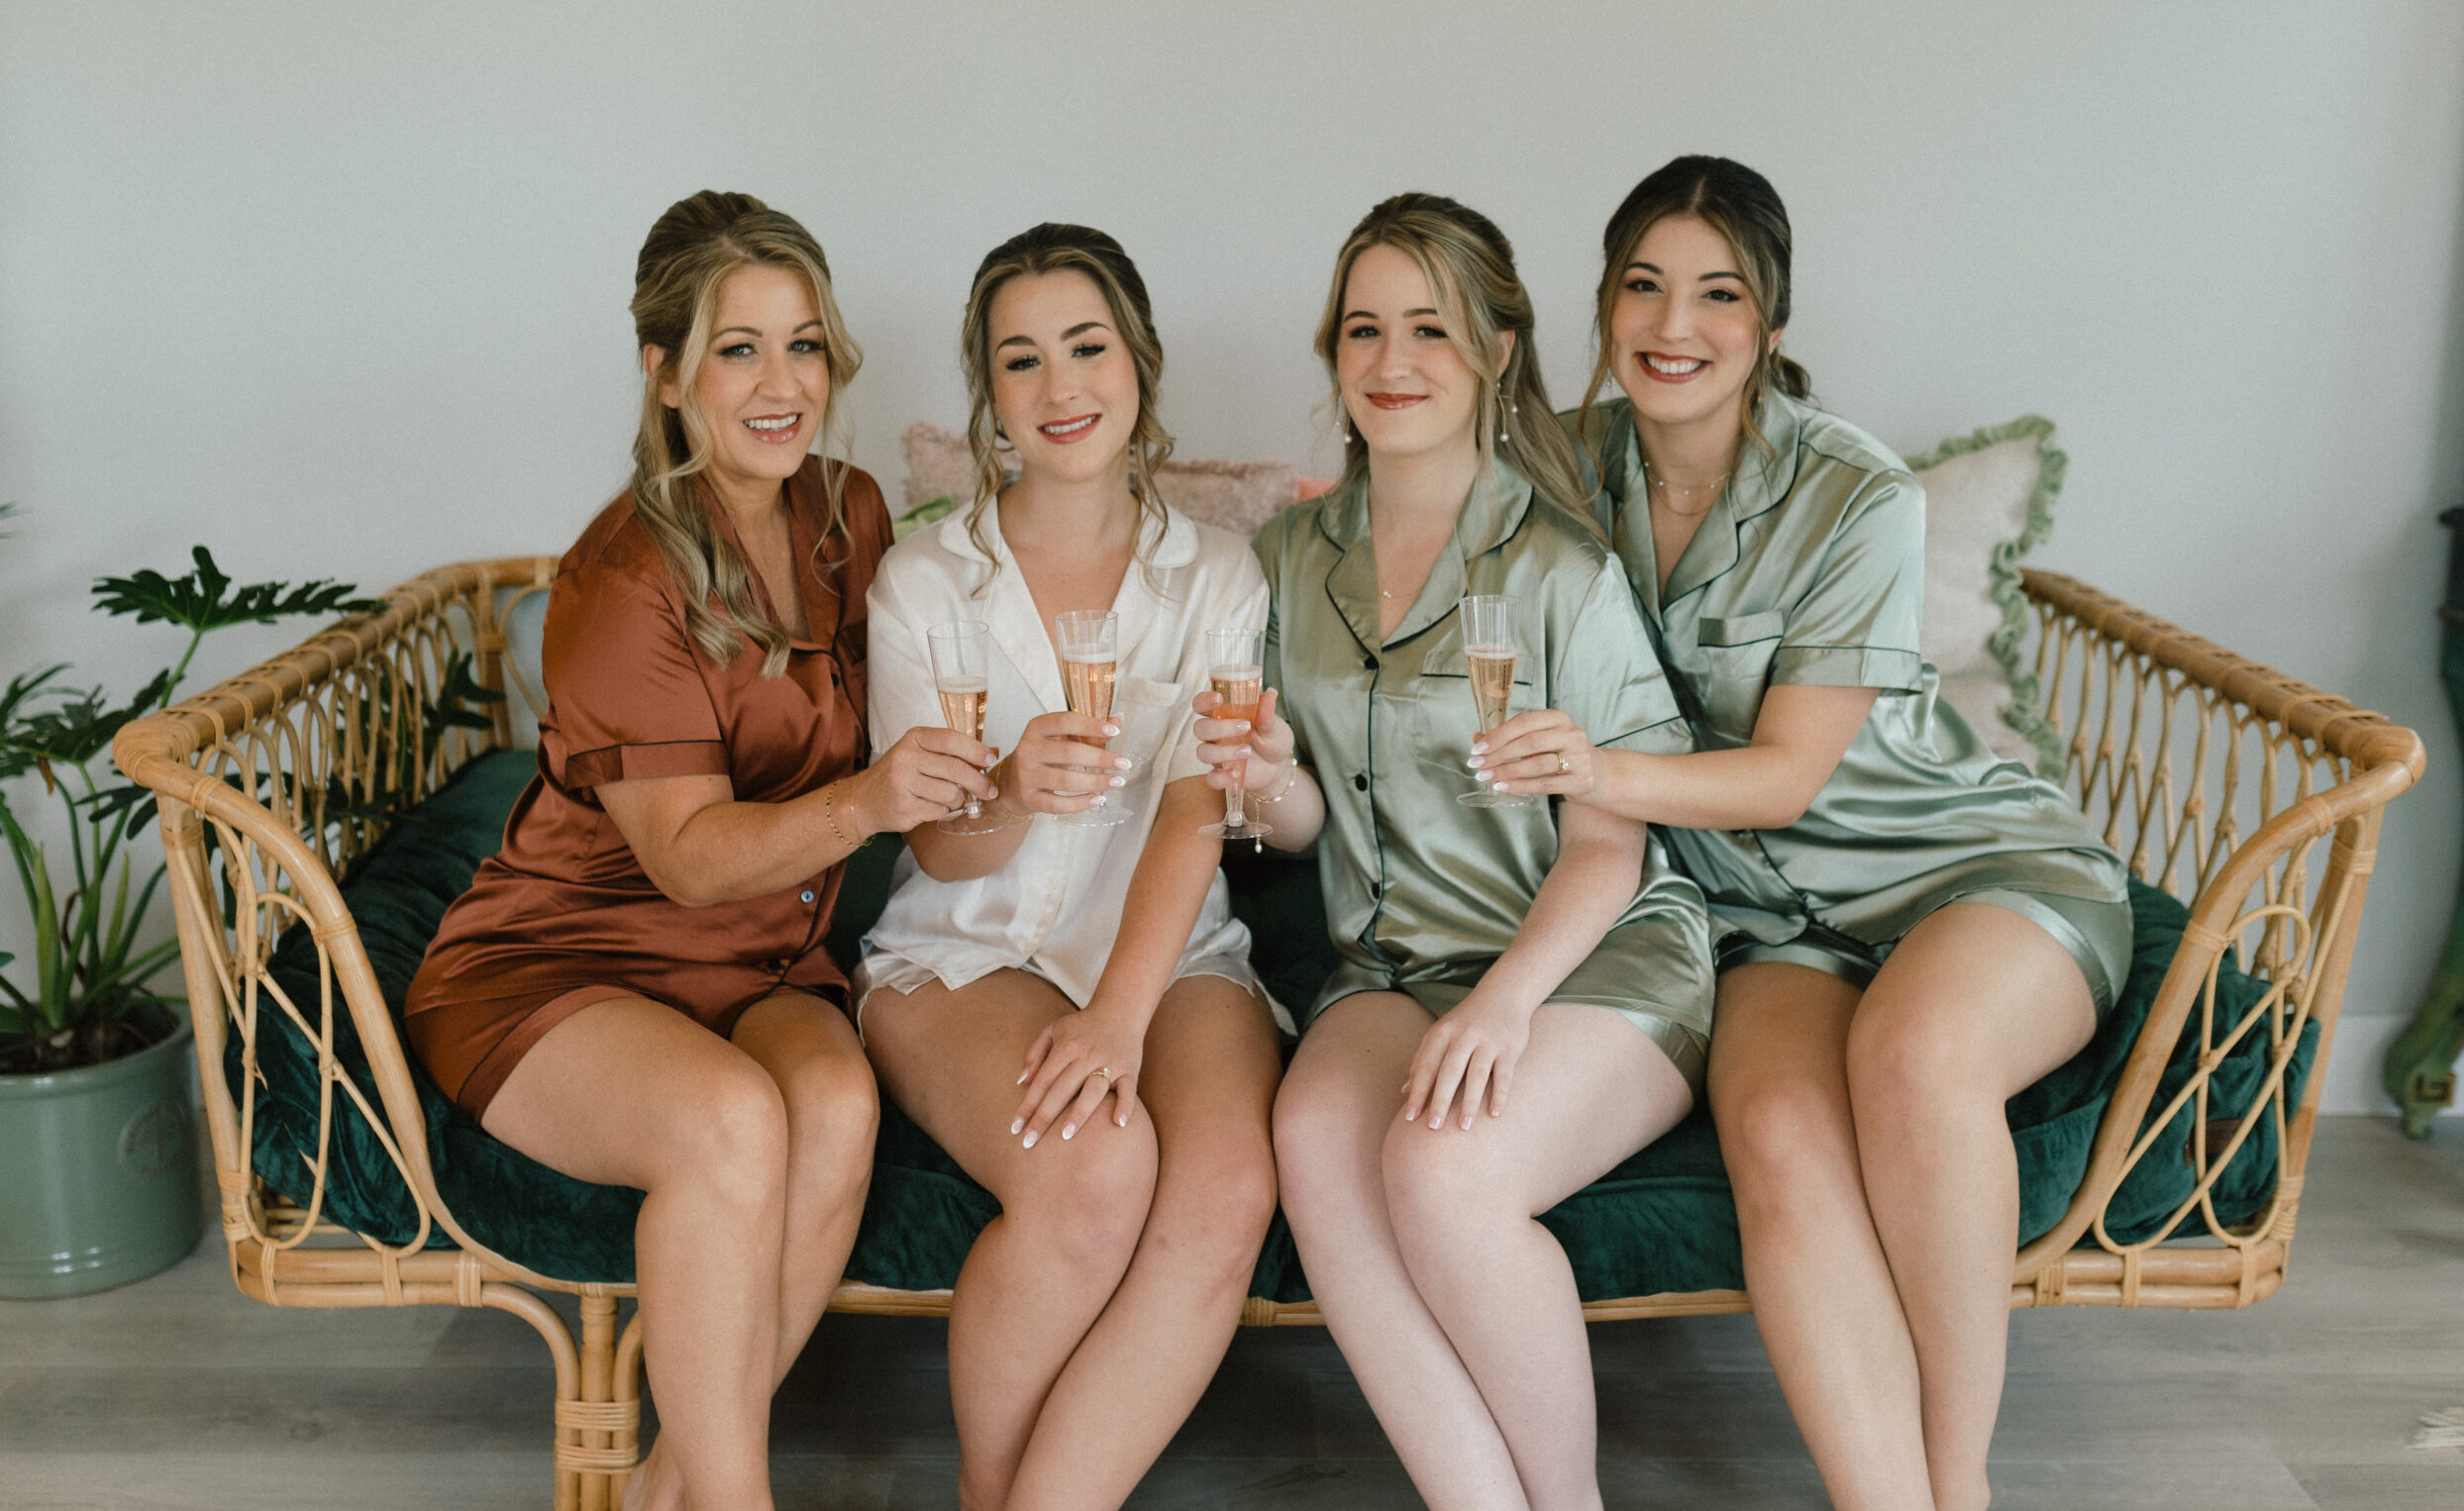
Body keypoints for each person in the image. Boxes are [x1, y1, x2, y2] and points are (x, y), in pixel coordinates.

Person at [1477, 155, 2134, 1511]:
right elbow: (1416, 489)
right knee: (1774, 1131)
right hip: (1766, 922)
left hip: (1968, 872)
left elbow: (1783, 777)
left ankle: (1960, 1490)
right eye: (1644, 287)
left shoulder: (1857, 496)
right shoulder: (1559, 465)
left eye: (1718, 294)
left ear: (1769, 326)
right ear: (1602, 306)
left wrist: (1597, 765)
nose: (1675, 325)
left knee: (1917, 1052)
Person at [404, 192, 996, 1511]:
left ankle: (674, 1489)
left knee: (837, 1108)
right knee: (730, 1125)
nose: (783, 383)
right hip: (557, 964)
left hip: (762, 959)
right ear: (664, 371)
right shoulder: (620, 580)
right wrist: (874, 801)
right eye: (739, 349)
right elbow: (684, 862)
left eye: (805, 344)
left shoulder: (848, 511)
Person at [1217, 193, 1713, 1510]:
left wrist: (1503, 1008)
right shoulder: (1282, 559)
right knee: (1320, 1144)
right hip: (1388, 966)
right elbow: (1307, 822)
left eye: (1429, 328)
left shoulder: (1561, 569)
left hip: (1585, 961)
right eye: (1364, 329)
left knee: (1442, 1172)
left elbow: (1612, 843)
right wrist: (1266, 785)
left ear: (1498, 350)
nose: (1390, 361)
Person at [854, 224, 1285, 1511]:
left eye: (1086, 348)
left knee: (1226, 1185)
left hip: (1167, 951)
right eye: (1022, 360)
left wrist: (1117, 1017)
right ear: (990, 395)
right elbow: (934, 840)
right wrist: (1001, 784)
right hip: (962, 952)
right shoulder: (925, 580)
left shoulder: (1214, 573)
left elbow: (1199, 809)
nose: (1061, 388)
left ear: (1139, 363)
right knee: (1094, 1170)